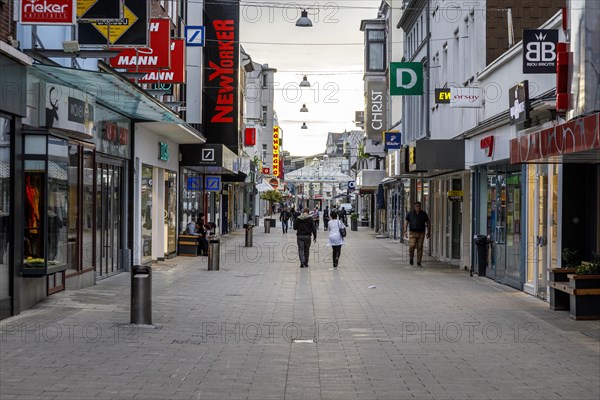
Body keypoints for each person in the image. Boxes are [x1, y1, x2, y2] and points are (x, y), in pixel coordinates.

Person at [404, 201, 431, 267]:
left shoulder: (424, 214)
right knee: (412, 245)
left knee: (420, 247)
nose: (418, 208)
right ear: (414, 207)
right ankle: (411, 257)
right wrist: (405, 231)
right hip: (412, 233)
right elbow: (406, 222)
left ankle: (419, 262)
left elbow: (428, 222)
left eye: (419, 206)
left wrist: (429, 231)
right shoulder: (410, 214)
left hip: (421, 233)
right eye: (417, 206)